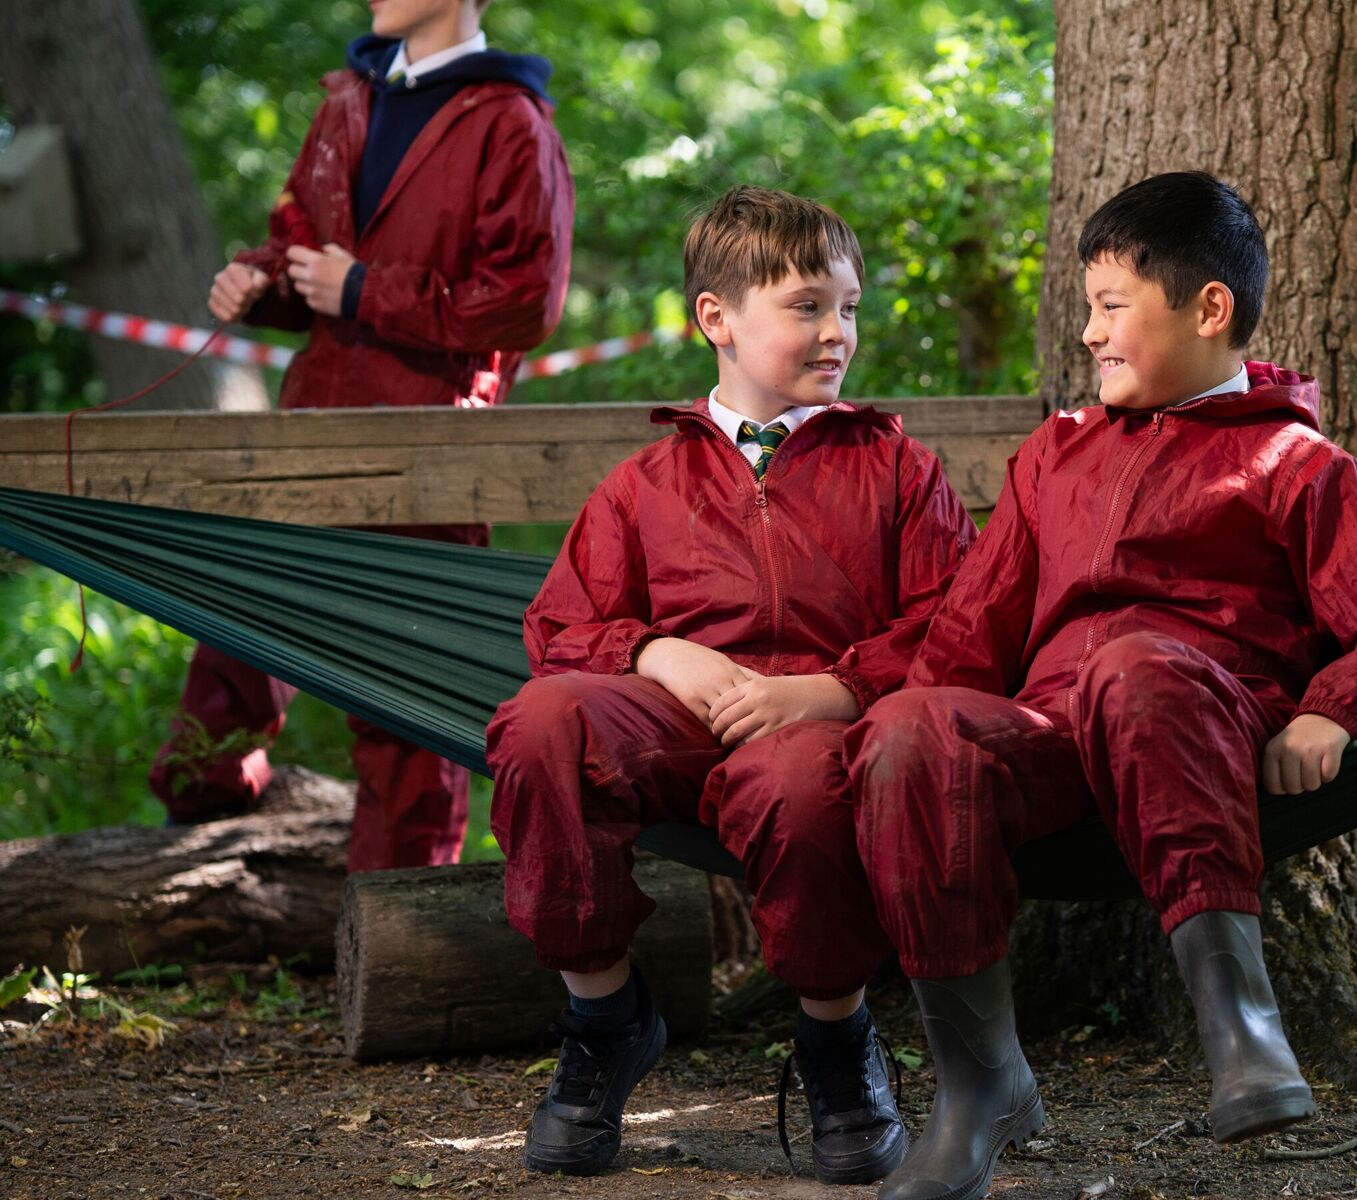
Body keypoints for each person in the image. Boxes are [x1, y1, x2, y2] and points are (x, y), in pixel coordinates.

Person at [848, 171, 1357, 1200]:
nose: (1088, 333)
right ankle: (976, 1087)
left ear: (1207, 308)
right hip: (1047, 743)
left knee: (1135, 667)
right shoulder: (1056, 456)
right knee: (913, 728)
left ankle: (1242, 1031)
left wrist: (1327, 709)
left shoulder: (1290, 460)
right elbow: (967, 638)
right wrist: (885, 732)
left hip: (1190, 723)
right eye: (1088, 308)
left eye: (1110, 306)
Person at [485, 186, 975, 1180]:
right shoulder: (646, 485)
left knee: (798, 785)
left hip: (820, 729)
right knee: (540, 724)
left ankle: (836, 1042)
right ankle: (603, 1019)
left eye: (847, 306)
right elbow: (560, 628)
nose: (836, 331)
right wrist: (658, 654)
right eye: (805, 305)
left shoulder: (895, 470)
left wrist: (829, 693)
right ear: (716, 317)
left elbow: (954, 627)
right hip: (675, 720)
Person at [150, 0, 575, 873]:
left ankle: (400, 922)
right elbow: (298, 241)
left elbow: (524, 303)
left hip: (427, 447)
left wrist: (364, 291)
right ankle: (189, 855)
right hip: (309, 424)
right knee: (235, 624)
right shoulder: (347, 99)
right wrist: (257, 283)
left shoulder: (512, 121)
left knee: (400, 692)